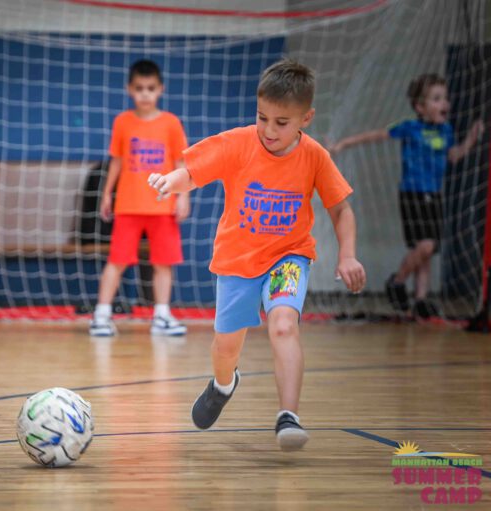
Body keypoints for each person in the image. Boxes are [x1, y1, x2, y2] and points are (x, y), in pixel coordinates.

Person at [148, 59, 366, 451]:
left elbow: (341, 209)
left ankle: (288, 416)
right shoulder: (238, 142)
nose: (268, 130)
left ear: (306, 118)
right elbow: (193, 171)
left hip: (289, 257)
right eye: (262, 117)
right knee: (226, 348)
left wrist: (347, 255)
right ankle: (224, 383)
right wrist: (170, 182)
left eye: (281, 123)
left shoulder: (315, 156)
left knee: (283, 324)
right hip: (237, 261)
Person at [328, 74, 484, 318]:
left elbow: (454, 155)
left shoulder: (446, 130)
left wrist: (471, 140)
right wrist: (342, 144)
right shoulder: (411, 128)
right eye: (436, 99)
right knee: (425, 246)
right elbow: (375, 135)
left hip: (435, 194)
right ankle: (398, 281)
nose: (444, 103)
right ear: (420, 107)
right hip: (413, 195)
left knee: (428, 252)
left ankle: (421, 300)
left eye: (445, 98)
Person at [89, 59, 190, 337]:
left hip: (162, 205)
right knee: (117, 260)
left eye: (151, 88)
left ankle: (161, 315)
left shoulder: (170, 123)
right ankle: (101, 314)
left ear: (161, 89)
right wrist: (107, 194)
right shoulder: (123, 122)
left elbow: (181, 164)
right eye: (139, 88)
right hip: (129, 206)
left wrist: (182, 197)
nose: (145, 93)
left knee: (163, 263)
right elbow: (117, 162)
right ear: (129, 90)